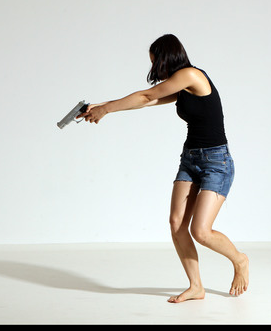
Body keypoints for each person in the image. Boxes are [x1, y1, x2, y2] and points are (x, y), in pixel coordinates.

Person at [78, 34, 249, 303]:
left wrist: (107, 110)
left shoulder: (191, 75)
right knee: (176, 224)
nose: (156, 69)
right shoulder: (180, 87)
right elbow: (147, 100)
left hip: (217, 162)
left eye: (156, 62)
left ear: (167, 57)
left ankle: (240, 260)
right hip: (190, 159)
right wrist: (100, 106)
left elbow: (148, 93)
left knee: (201, 231)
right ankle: (196, 287)